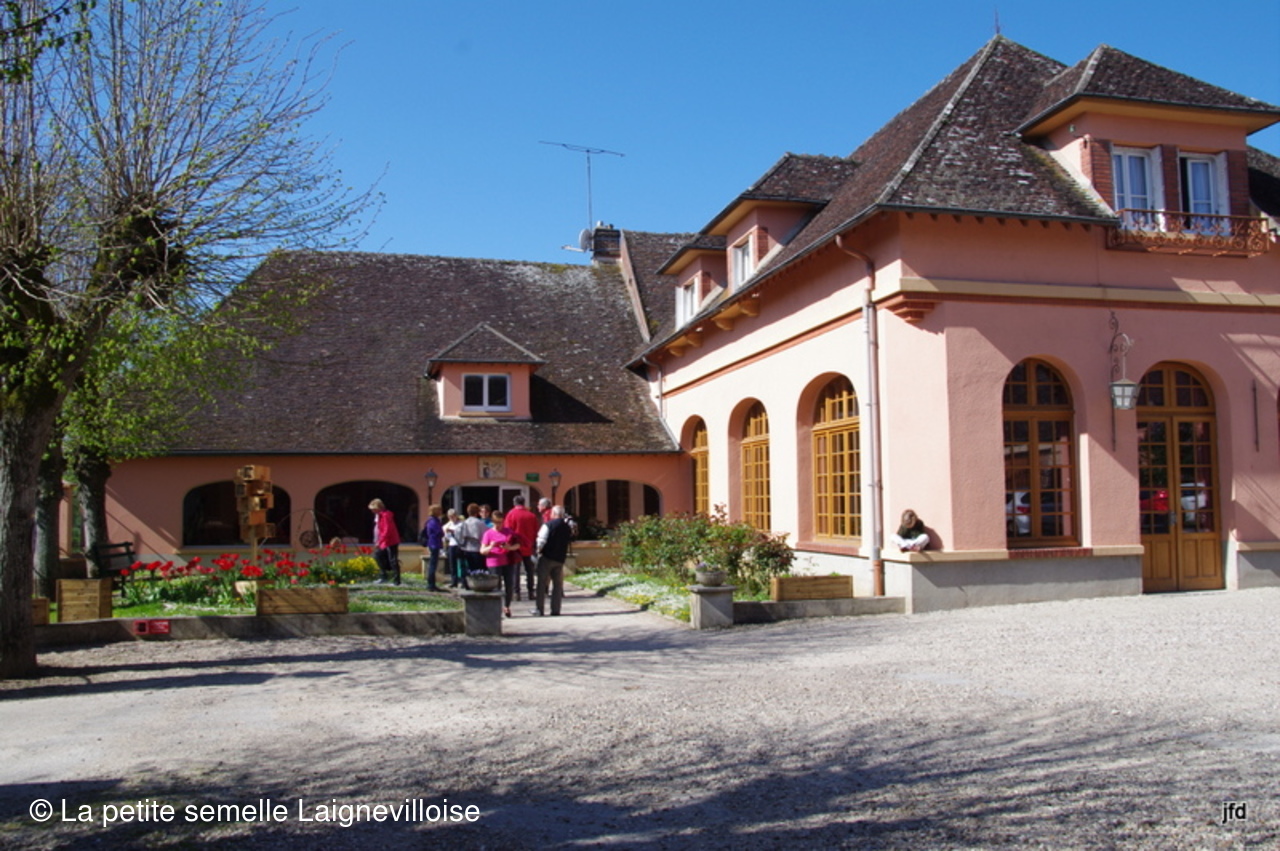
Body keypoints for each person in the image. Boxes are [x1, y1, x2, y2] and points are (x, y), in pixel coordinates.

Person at [532, 505, 574, 616]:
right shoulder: (567, 527)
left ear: (554, 514)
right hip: (560, 558)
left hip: (547, 557)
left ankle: (539, 609)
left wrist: (537, 551)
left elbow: (541, 540)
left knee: (541, 584)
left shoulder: (548, 525)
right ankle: (555, 609)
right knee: (557, 585)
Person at [480, 510, 521, 618]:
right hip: (494, 562)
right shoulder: (488, 533)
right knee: (496, 586)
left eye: (500, 522)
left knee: (509, 585)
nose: (498, 525)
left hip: (508, 561)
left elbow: (518, 545)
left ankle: (507, 606)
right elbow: (482, 551)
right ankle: (496, 608)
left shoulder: (508, 531)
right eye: (496, 522)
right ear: (492, 522)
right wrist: (491, 546)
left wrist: (509, 547)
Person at [503, 495, 541, 601]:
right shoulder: (531, 515)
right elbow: (536, 531)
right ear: (524, 503)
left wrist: (508, 545)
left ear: (514, 503)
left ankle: (516, 593)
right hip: (528, 546)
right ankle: (531, 592)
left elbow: (508, 531)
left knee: (516, 570)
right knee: (530, 570)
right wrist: (533, 543)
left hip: (515, 546)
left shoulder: (511, 514)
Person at [369, 499, 402, 584]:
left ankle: (396, 580)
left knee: (393, 560)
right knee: (378, 556)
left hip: (390, 541)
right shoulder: (380, 516)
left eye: (374, 509)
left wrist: (380, 541)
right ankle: (384, 576)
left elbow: (387, 530)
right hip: (384, 541)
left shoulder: (386, 515)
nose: (372, 511)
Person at [456, 503, 488, 580]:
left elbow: (457, 533)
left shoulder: (464, 523)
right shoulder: (480, 523)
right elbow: (485, 535)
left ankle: (466, 583)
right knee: (478, 569)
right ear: (477, 512)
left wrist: (461, 543)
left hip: (466, 548)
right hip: (477, 548)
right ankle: (477, 583)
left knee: (468, 569)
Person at [419, 504, 444, 591]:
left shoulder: (431, 521)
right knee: (433, 565)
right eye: (439, 510)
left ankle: (432, 583)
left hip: (433, 544)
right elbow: (438, 532)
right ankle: (431, 584)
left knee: (433, 564)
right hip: (434, 544)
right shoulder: (433, 521)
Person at [442, 508, 466, 588]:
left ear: (456, 516)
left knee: (462, 564)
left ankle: (464, 581)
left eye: (453, 516)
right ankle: (454, 581)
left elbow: (462, 534)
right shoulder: (448, 525)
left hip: (460, 545)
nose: (452, 518)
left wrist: (453, 531)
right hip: (452, 544)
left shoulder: (461, 524)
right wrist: (447, 533)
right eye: (450, 516)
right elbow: (446, 537)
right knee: (452, 564)